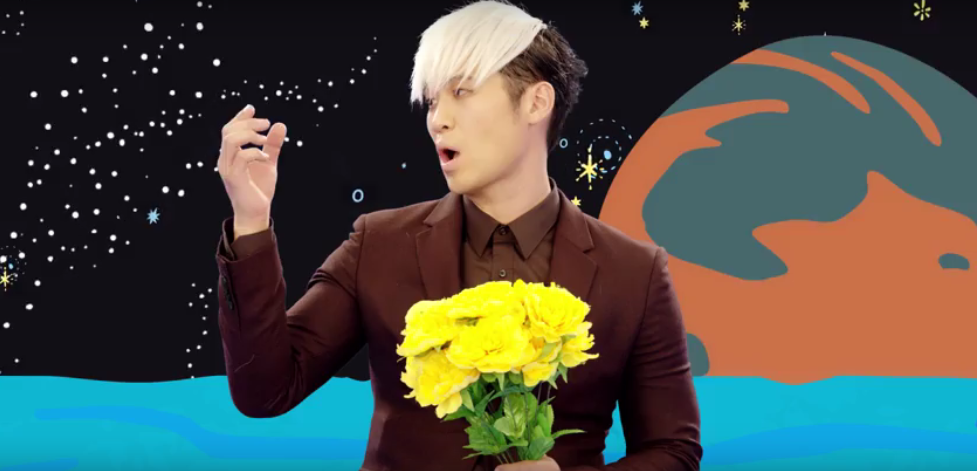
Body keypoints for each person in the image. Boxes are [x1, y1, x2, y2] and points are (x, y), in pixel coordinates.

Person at [214, 1, 702, 470]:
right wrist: (251, 220)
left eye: (462, 92)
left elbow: (673, 450)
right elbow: (265, 392)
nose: (437, 120)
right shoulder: (377, 244)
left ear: (536, 101)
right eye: (432, 101)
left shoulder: (634, 272)